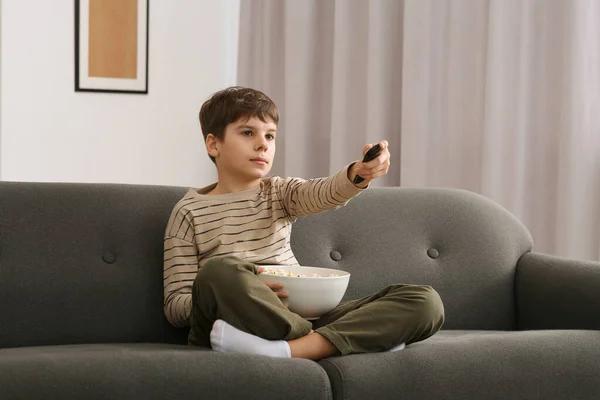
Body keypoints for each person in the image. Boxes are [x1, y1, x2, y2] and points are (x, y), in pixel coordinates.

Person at [163, 86, 444, 361]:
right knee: (219, 271)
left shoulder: (280, 193)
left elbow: (325, 193)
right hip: (234, 320)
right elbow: (176, 306)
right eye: (248, 133)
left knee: (424, 301)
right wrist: (247, 288)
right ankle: (349, 340)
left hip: (301, 317)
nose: (263, 144)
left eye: (270, 136)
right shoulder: (189, 211)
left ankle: (292, 349)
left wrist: (359, 174)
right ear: (214, 144)